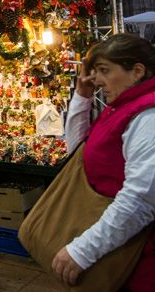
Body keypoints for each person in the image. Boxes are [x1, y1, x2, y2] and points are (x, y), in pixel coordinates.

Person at [52, 34, 155, 290]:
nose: (96, 79)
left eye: (104, 70)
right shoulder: (122, 105)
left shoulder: (148, 115)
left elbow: (141, 198)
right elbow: (77, 151)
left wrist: (83, 251)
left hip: (139, 260)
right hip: (118, 248)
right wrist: (82, 96)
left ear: (137, 71)